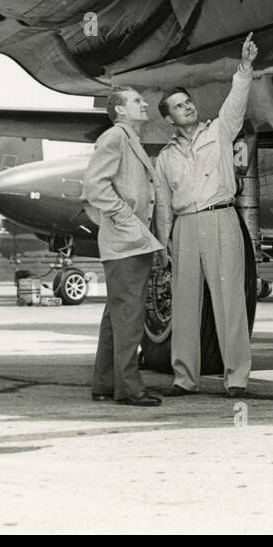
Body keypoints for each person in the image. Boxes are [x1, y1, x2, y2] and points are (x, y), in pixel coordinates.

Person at [155, 33, 256, 398]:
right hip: (184, 227)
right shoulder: (164, 159)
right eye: (179, 106)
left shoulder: (220, 130)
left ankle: (236, 378)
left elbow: (236, 102)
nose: (188, 107)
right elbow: (163, 205)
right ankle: (184, 378)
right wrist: (162, 245)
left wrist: (244, 68)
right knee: (184, 306)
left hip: (221, 218)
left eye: (188, 102)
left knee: (229, 300)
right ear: (168, 118)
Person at [83, 85, 169, 407]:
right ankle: (130, 389)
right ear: (119, 109)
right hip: (125, 242)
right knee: (129, 320)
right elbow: (95, 187)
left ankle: (105, 384)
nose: (144, 103)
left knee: (116, 318)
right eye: (136, 101)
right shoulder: (115, 137)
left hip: (130, 242)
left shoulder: (130, 139)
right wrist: (124, 215)